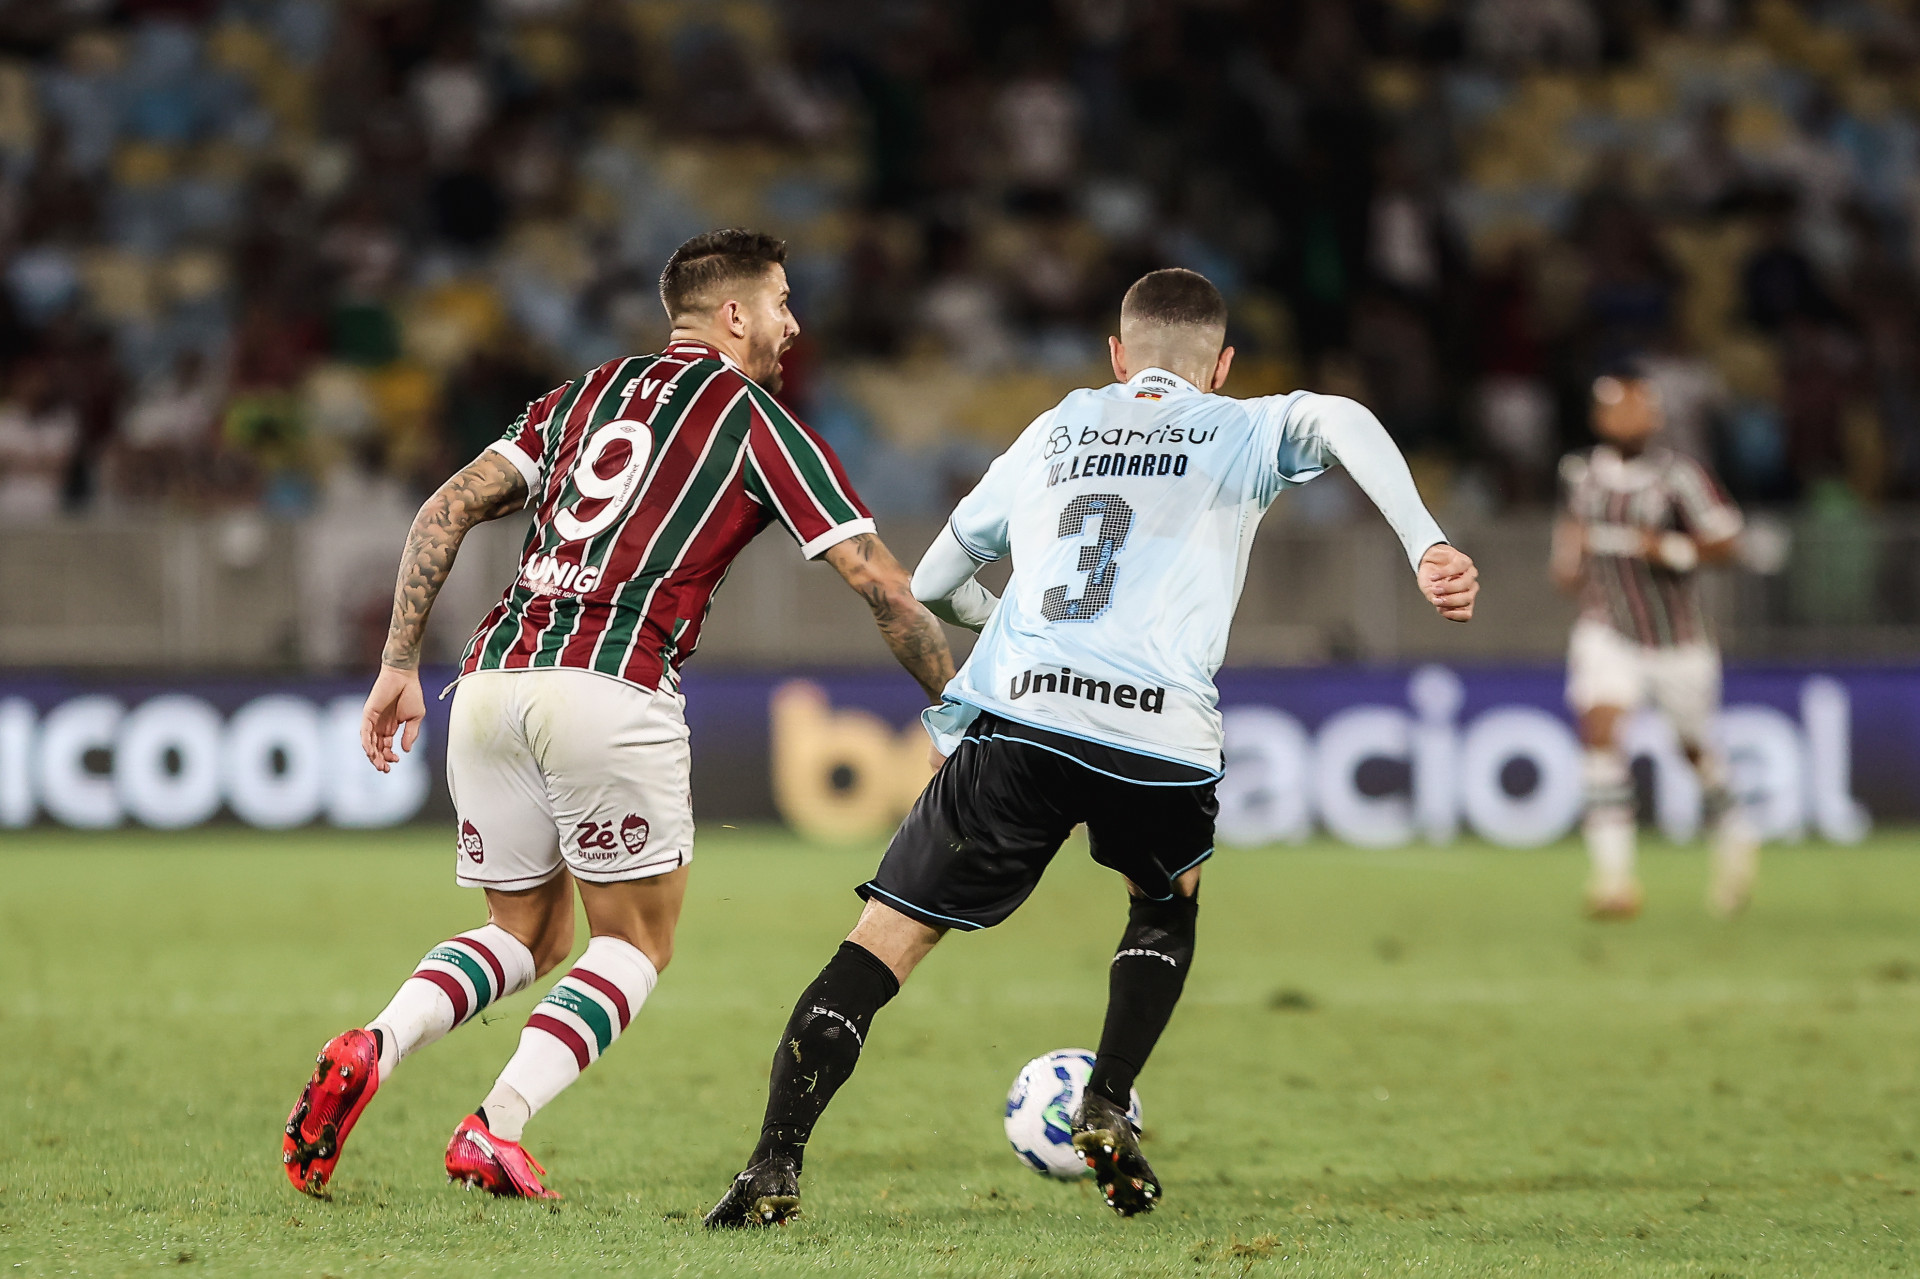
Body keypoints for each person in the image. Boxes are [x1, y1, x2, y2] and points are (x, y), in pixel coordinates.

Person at [705, 268, 1479, 1228]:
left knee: (886, 939)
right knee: (1163, 904)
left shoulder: (1054, 427)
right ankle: (1107, 1099)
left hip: (1024, 718)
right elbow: (1344, 418)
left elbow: (936, 580)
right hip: (1160, 734)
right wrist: (1425, 542)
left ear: (1117, 355)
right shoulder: (1241, 427)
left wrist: (1016, 625)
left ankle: (774, 1161)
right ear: (1222, 366)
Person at [279, 229, 955, 1199]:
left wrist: (396, 663)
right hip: (609, 683)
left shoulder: (579, 396)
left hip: (492, 680)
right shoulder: (756, 421)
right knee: (634, 942)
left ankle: (374, 1044)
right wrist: (957, 707)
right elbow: (881, 585)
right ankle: (496, 1123)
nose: (793, 324)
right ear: (734, 315)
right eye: (781, 303)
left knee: (525, 933)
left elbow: (442, 509)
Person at [1549, 360, 1754, 920]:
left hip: (1676, 639)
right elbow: (1570, 541)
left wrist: (1668, 549)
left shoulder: (1680, 477)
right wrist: (1567, 563)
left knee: (1692, 748)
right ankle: (1613, 880)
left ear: (1656, 416)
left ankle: (1735, 831)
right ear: (1599, 416)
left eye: (1639, 407)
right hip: (1608, 629)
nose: (1630, 419)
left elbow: (1729, 543)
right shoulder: (1579, 474)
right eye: (1619, 408)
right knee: (1599, 732)